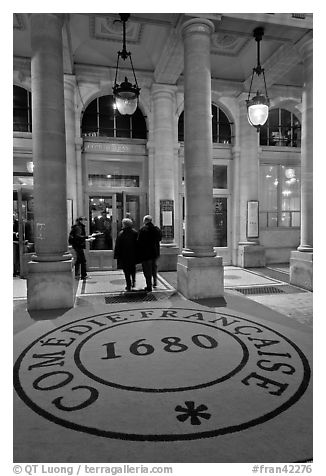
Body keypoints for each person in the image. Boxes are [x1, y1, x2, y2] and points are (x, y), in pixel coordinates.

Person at [137, 215, 162, 292]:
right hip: (155, 252)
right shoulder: (156, 229)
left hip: (146, 253)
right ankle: (155, 281)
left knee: (147, 270)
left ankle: (149, 286)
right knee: (154, 268)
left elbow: (139, 242)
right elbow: (160, 238)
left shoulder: (143, 229)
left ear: (145, 221)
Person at [114, 218, 138, 291]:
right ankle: (133, 281)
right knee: (133, 268)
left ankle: (128, 285)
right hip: (133, 254)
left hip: (124, 255)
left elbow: (118, 245)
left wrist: (116, 255)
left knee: (126, 271)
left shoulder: (121, 234)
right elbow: (138, 244)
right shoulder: (135, 233)